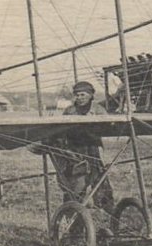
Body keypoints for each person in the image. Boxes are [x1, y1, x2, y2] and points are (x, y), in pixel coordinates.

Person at [46, 81, 115, 213]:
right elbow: (61, 129)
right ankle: (72, 214)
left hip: (92, 147)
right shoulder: (70, 110)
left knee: (99, 179)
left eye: (83, 94)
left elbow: (109, 124)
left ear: (90, 95)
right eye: (77, 95)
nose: (80, 98)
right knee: (76, 183)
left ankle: (108, 211)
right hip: (75, 149)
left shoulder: (98, 109)